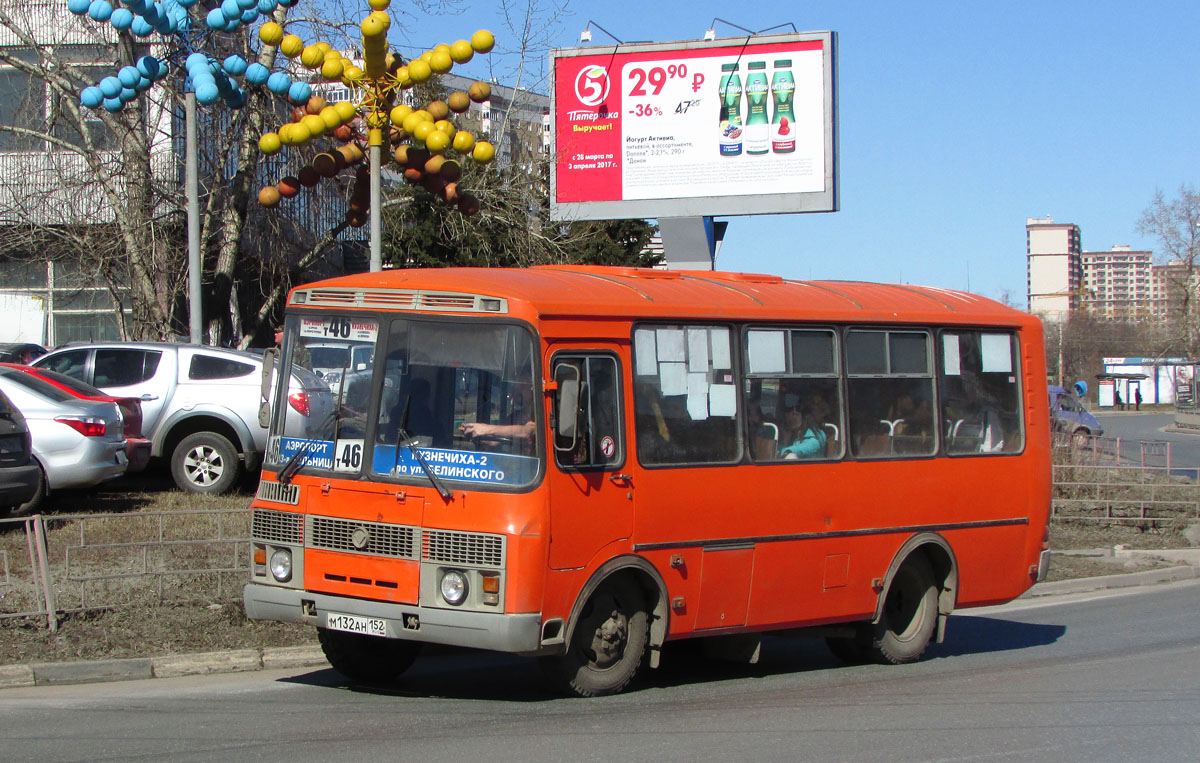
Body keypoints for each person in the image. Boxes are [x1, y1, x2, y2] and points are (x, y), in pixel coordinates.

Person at [778, 393, 827, 459]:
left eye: (798, 409)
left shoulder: (817, 435)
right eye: (789, 409)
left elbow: (803, 448)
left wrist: (784, 451)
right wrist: (785, 441)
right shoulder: (785, 433)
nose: (794, 413)